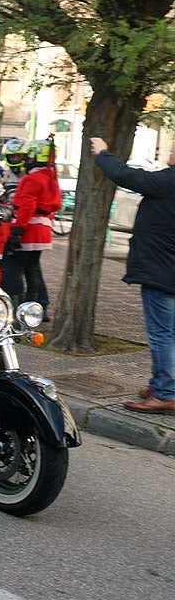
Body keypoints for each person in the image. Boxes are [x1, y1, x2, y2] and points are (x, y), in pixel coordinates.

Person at [91, 136, 175, 413]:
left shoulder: (168, 181)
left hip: (161, 271)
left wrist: (103, 153)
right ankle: (163, 383)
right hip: (167, 270)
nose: (170, 151)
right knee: (169, 333)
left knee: (162, 334)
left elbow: (126, 176)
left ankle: (164, 393)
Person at [0, 138, 60, 318]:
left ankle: (17, 307)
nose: (25, 158)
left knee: (13, 269)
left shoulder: (32, 179)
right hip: (43, 230)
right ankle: (37, 307)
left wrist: (17, 231)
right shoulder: (51, 177)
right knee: (33, 269)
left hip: (29, 228)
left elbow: (26, 207)